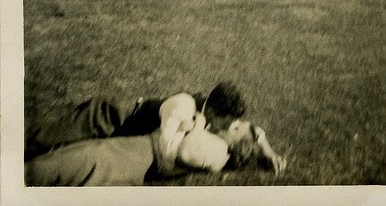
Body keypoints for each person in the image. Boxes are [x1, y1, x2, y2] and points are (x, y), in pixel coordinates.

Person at [25, 81, 247, 171]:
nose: (225, 129)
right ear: (215, 112)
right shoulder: (184, 106)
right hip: (109, 118)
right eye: (225, 123)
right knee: (39, 142)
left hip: (122, 136)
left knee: (64, 158)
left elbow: (252, 131)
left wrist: (267, 149)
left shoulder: (208, 115)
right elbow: (166, 153)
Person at [25, 112, 286, 186]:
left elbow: (185, 153)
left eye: (238, 126)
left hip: (140, 156)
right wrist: (267, 150)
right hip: (137, 151)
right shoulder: (225, 147)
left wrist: (198, 125)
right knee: (80, 155)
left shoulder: (218, 154)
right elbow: (257, 133)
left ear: (240, 140)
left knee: (72, 164)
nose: (234, 123)